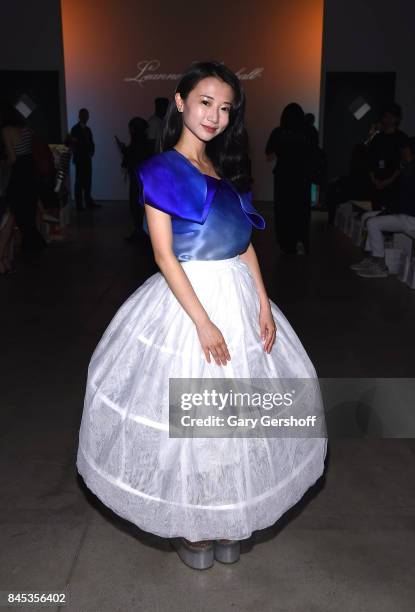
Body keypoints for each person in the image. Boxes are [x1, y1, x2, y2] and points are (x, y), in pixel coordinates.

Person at [76, 61, 327, 570]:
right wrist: (203, 322)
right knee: (193, 422)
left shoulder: (225, 169)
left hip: (236, 295)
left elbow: (244, 244)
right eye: (206, 102)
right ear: (181, 101)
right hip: (187, 303)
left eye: (226, 108)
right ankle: (194, 529)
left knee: (236, 420)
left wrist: (263, 303)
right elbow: (165, 256)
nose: (215, 115)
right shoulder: (158, 170)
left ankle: (226, 518)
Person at [351, 137, 415, 278]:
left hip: (412, 219)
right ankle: (373, 258)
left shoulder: (413, 170)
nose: (401, 152)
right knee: (367, 217)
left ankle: (380, 265)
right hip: (405, 213)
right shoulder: (411, 167)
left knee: (372, 222)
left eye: (403, 149)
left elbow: (403, 201)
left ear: (409, 150)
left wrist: (385, 213)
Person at [265, 103, 317, 254]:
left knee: (283, 211)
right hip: (302, 177)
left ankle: (286, 243)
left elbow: (269, 154)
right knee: (301, 210)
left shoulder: (279, 132)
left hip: (283, 176)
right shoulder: (309, 131)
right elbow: (314, 152)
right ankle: (301, 241)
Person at [1, 105, 46, 253]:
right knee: (29, 208)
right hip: (30, 169)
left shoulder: (6, 131)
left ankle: (29, 244)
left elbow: (13, 159)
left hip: (19, 172)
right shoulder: (25, 128)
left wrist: (3, 165)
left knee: (16, 209)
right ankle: (34, 242)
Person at [367, 103, 408, 212]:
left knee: (390, 213)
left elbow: (404, 162)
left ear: (397, 119)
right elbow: (370, 160)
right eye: (385, 117)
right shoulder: (377, 138)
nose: (388, 120)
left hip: (394, 184)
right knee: (376, 212)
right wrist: (374, 179)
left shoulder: (402, 138)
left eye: (391, 117)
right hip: (376, 182)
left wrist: (389, 181)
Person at [115, 117, 150, 242]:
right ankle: (142, 232)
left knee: (136, 205)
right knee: (141, 206)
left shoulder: (137, 141)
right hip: (145, 179)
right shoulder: (145, 140)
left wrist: (124, 150)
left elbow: (133, 156)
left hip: (137, 179)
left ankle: (139, 232)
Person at [70, 108, 100, 210]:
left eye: (86, 115)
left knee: (88, 181)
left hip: (86, 158)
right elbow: (74, 144)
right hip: (80, 159)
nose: (85, 117)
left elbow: (91, 142)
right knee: (79, 181)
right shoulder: (75, 129)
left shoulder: (88, 129)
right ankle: (79, 204)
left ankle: (87, 201)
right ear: (80, 116)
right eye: (84, 115)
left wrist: (92, 151)